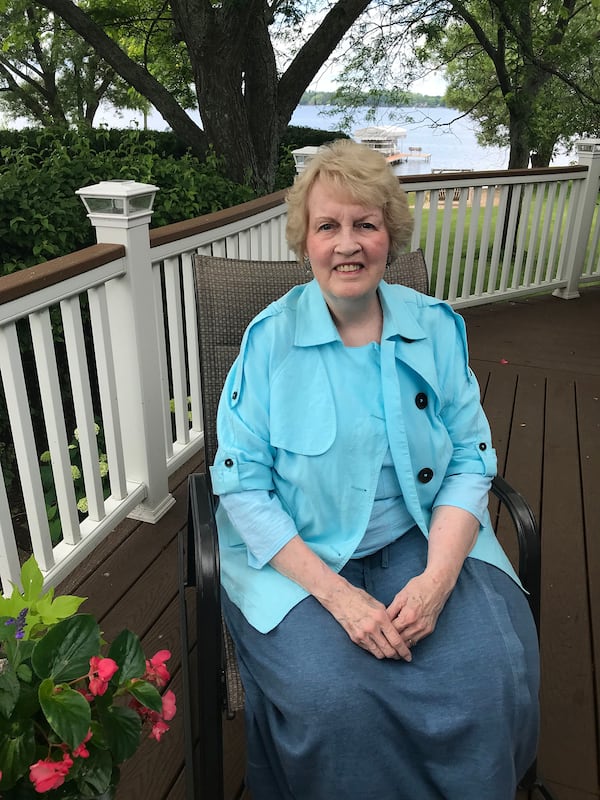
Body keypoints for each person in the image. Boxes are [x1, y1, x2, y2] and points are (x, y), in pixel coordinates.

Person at [209, 139, 539, 800]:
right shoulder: (269, 341)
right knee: (335, 704)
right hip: (298, 559)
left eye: (366, 223)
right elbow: (241, 484)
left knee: (491, 675)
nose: (348, 244)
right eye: (328, 226)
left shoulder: (435, 328)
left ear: (391, 235)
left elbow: (471, 460)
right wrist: (338, 597)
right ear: (304, 240)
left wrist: (438, 581)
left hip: (421, 539)